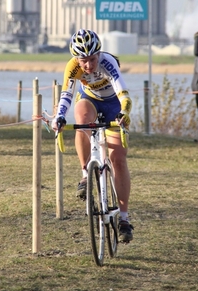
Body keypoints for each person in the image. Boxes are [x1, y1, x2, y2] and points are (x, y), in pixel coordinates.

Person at [51, 29, 133, 242]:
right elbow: (67, 95)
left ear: (99, 54)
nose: (88, 65)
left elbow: (123, 93)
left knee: (118, 160)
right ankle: (86, 174)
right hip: (90, 100)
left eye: (92, 59)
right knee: (81, 117)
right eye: (83, 60)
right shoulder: (73, 66)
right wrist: (59, 117)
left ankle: (124, 219)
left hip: (113, 103)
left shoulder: (108, 63)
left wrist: (124, 112)